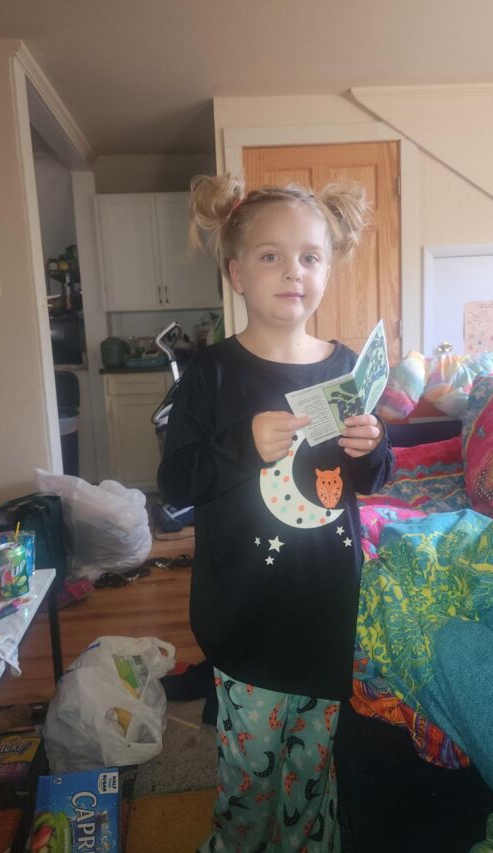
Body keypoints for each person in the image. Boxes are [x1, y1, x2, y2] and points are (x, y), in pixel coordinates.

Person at [158, 174, 393, 852]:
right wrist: (240, 445)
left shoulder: (345, 368)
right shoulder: (210, 374)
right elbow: (174, 484)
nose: (294, 271)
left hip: (326, 613)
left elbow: (369, 478)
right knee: (249, 781)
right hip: (246, 619)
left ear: (328, 269)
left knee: (313, 772)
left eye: (310, 256)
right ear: (236, 272)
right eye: (271, 255)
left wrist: (373, 448)